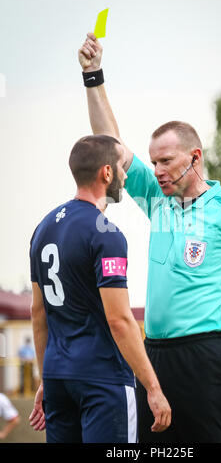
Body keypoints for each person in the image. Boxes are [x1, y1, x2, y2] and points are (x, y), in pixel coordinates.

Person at [78, 33, 221, 443]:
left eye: (166, 161)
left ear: (195, 157)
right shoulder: (157, 201)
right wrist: (93, 75)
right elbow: (111, 147)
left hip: (205, 357)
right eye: (153, 162)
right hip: (153, 357)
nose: (158, 171)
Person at [29, 135, 171, 443]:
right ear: (106, 173)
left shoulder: (43, 227)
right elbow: (119, 321)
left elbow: (38, 314)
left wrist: (47, 376)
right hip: (101, 379)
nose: (125, 175)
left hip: (57, 376)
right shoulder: (106, 233)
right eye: (121, 167)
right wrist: (153, 387)